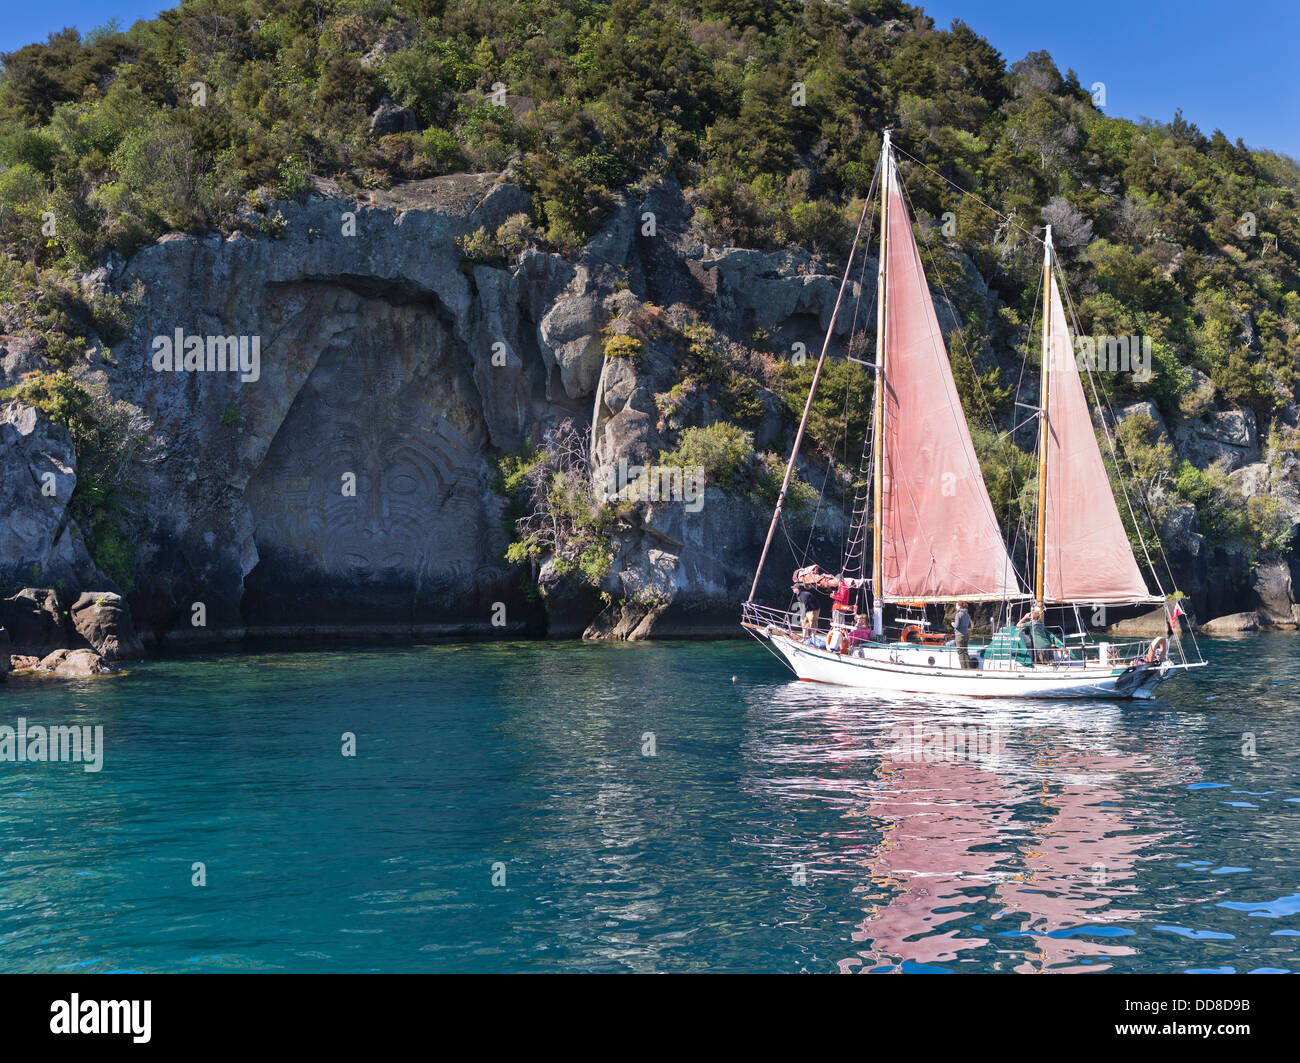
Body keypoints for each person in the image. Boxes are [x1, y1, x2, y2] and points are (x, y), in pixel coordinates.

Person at [953, 601, 974, 669]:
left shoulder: (958, 614)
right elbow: (969, 625)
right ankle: (969, 667)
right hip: (966, 635)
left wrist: (952, 624)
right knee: (965, 652)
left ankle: (963, 668)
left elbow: (956, 625)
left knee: (961, 652)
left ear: (959, 606)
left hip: (959, 636)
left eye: (956, 605)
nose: (955, 607)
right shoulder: (967, 614)